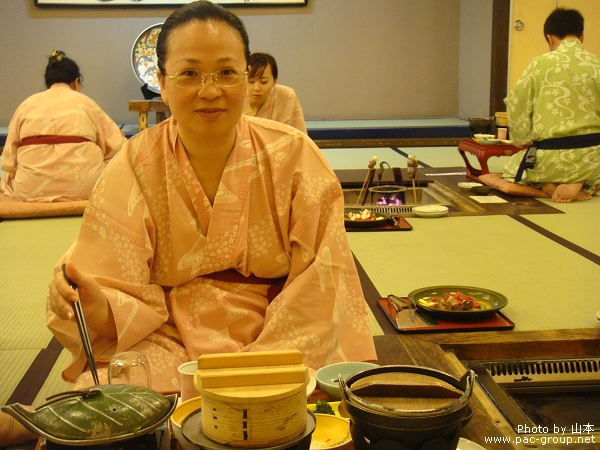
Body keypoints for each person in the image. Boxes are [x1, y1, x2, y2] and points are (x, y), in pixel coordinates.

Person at [484, 7, 600, 203]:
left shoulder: (540, 64)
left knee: (513, 169)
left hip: (551, 157)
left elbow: (517, 103)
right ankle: (581, 181)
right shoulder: (596, 65)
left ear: (550, 38)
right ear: (581, 37)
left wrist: (522, 138)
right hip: (593, 157)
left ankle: (547, 185)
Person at [0, 51, 126, 202]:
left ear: (48, 83)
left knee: (8, 178)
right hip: (86, 190)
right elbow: (120, 147)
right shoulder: (86, 103)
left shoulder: (26, 105)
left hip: (29, 191)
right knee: (114, 163)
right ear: (76, 82)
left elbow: (8, 160)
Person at [244, 52, 307, 133]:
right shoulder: (236, 97)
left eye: (264, 82)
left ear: (274, 81)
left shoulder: (286, 96)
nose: (256, 88)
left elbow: (300, 137)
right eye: (251, 81)